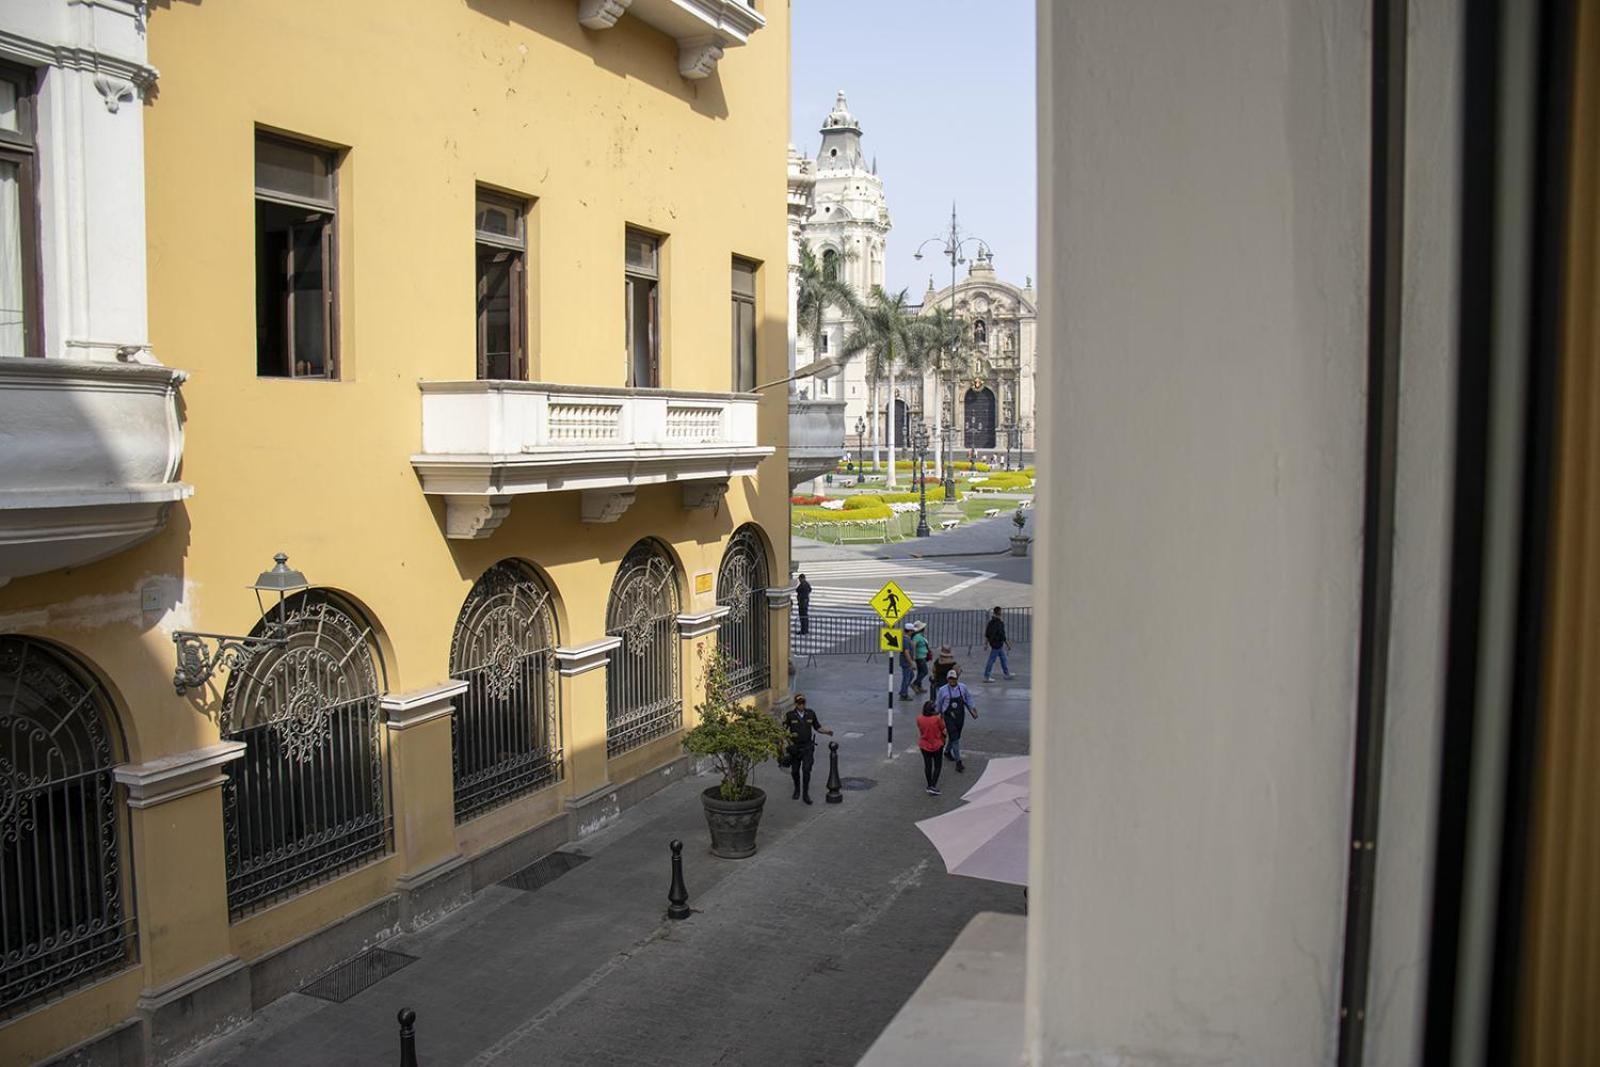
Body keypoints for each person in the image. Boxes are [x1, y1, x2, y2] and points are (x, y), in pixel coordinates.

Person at [783, 694, 832, 804]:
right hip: (795, 748)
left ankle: (805, 794)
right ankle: (797, 789)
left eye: (803, 703)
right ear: (795, 704)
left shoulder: (811, 713)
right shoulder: (790, 715)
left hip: (807, 747)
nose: (802, 705)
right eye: (799, 703)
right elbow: (783, 730)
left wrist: (827, 732)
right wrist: (787, 744)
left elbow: (817, 727)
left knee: (806, 770)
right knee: (795, 771)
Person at [934, 667, 978, 773]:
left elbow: (968, 699)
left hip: (960, 716)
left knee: (956, 736)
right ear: (947, 679)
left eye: (954, 679)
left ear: (957, 678)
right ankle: (958, 761)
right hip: (948, 717)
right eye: (950, 679)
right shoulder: (942, 690)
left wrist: (973, 710)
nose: (952, 680)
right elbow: (938, 704)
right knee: (955, 738)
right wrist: (937, 715)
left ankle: (947, 751)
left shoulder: (963, 688)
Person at [916, 699, 947, 796]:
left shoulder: (919, 718)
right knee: (937, 766)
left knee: (928, 765)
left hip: (924, 744)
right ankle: (933, 786)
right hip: (937, 744)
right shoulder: (937, 719)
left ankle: (929, 784)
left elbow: (920, 729)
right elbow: (943, 729)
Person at [983, 607, 1015, 682]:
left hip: (994, 644)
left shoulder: (991, 622)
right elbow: (1002, 635)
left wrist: (986, 644)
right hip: (998, 644)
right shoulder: (999, 623)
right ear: (999, 613)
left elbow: (987, 634)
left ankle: (1006, 674)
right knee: (991, 660)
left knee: (1003, 659)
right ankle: (986, 676)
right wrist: (1007, 644)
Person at [910, 621, 931, 693]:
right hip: (920, 657)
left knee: (920, 672)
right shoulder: (917, 637)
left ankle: (919, 686)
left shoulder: (919, 636)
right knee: (925, 671)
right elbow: (914, 645)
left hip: (922, 656)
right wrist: (914, 656)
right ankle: (915, 684)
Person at [898, 622, 917, 700]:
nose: (913, 633)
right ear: (909, 631)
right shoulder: (905, 640)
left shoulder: (907, 639)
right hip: (906, 662)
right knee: (906, 677)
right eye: (912, 631)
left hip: (906, 662)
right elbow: (906, 652)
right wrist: (911, 663)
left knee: (910, 676)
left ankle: (903, 690)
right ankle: (904, 694)